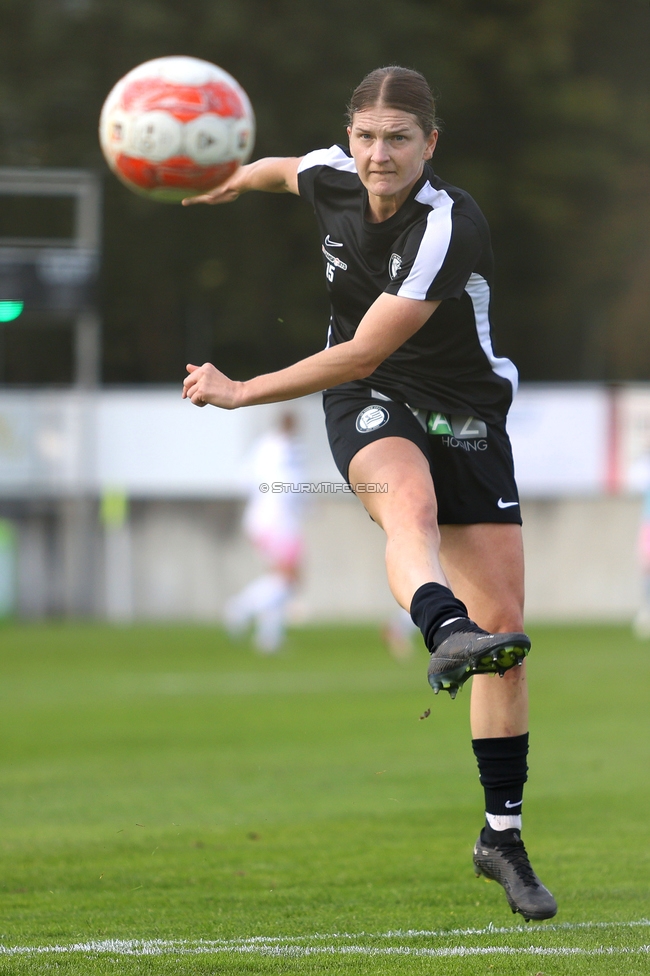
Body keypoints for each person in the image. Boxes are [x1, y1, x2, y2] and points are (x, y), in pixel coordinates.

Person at [182, 66, 556, 921]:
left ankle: (501, 835)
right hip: (372, 398)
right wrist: (233, 178)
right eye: (366, 136)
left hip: (464, 408)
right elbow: (286, 170)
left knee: (507, 632)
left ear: (431, 144)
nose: (378, 155)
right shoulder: (332, 174)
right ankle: (440, 625)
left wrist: (244, 390)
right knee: (408, 502)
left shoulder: (447, 225)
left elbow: (359, 346)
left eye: (399, 138)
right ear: (347, 138)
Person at [224, 412, 305, 652]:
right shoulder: (287, 451)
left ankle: (269, 637)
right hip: (276, 520)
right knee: (288, 579)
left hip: (264, 517)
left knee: (280, 577)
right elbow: (293, 487)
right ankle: (240, 608)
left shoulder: (266, 446)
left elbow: (244, 478)